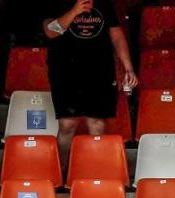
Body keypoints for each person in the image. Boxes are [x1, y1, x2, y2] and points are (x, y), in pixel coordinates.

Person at [42, 0, 138, 162]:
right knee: (67, 124)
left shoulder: (103, 2)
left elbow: (116, 35)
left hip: (99, 68)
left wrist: (128, 68)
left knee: (97, 123)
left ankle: (96, 171)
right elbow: (50, 32)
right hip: (66, 70)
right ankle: (62, 174)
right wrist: (74, 11)